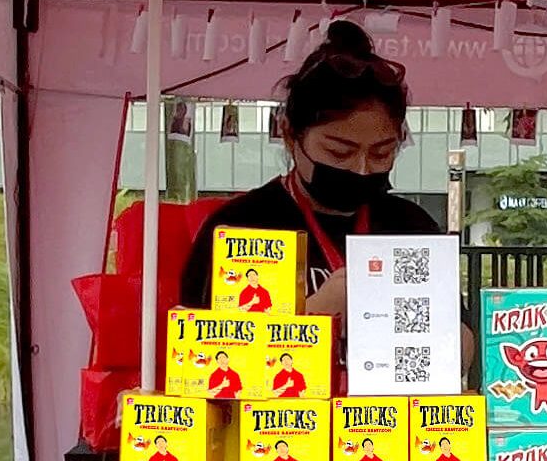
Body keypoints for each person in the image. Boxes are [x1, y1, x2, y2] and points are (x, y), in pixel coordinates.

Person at [180, 22, 471, 371]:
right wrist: (315, 312)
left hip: (385, 423)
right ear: (291, 135)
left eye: (381, 153)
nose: (362, 170)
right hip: (274, 424)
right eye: (339, 151)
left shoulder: (410, 226)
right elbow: (198, 362)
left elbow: (460, 348)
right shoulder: (242, 226)